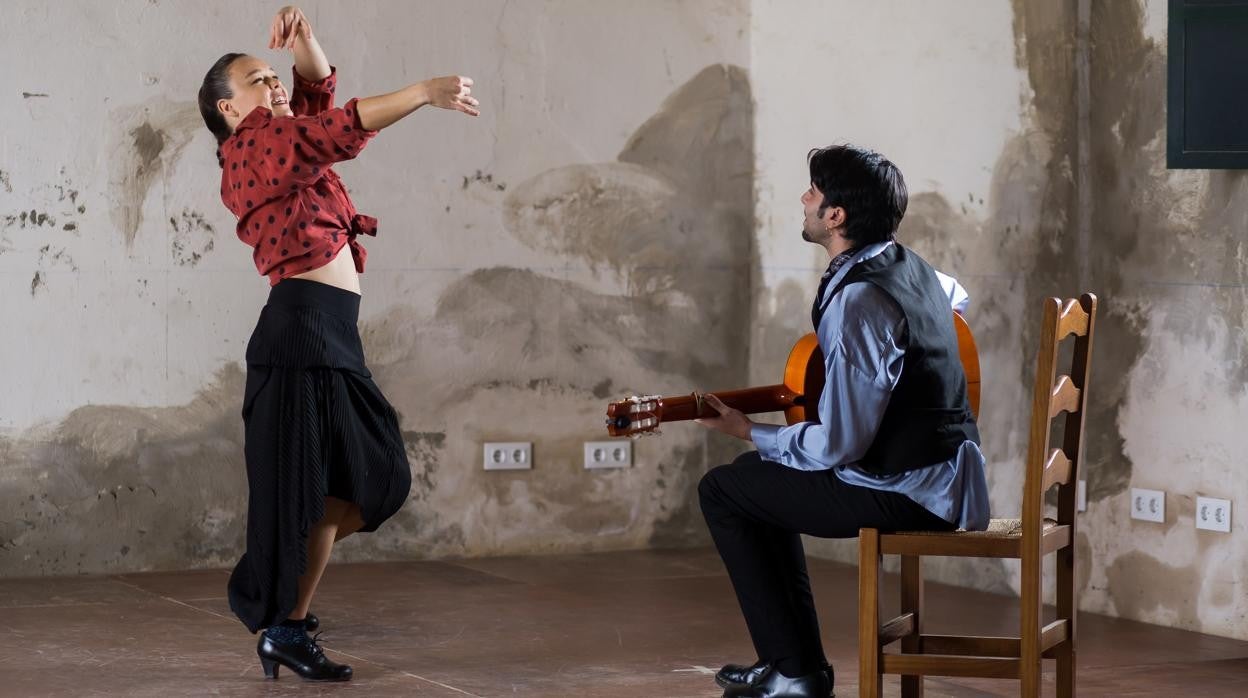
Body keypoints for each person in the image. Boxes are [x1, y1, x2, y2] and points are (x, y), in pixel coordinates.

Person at [196, 5, 479, 681]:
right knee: (320, 491)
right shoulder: (250, 151)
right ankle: (286, 622)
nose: (274, 86)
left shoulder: (282, 137)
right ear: (228, 110)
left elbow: (317, 99)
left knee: (366, 480)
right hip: (300, 334)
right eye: (258, 82)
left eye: (272, 76)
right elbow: (337, 128)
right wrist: (420, 92)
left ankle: (279, 590)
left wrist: (307, 43)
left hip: (327, 333)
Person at [694, 145, 989, 698]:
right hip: (948, 474)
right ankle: (792, 666)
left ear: (835, 216)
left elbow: (839, 444)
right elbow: (956, 300)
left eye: (814, 190)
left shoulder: (857, 302)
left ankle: (798, 671)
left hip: (906, 491)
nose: (805, 198)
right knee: (756, 481)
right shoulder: (917, 269)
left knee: (724, 489)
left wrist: (749, 430)